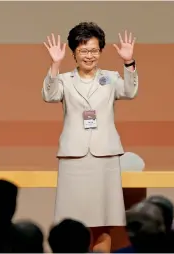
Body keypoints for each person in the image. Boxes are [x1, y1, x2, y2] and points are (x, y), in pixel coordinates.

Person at [42, 22, 138, 249]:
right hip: (74, 158)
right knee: (72, 222)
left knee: (104, 222)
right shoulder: (65, 79)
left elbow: (130, 91)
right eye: (84, 50)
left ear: (101, 51)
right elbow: (49, 95)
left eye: (94, 50)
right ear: (74, 52)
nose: (89, 56)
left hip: (104, 157)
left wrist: (128, 62)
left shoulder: (111, 77)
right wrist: (55, 65)